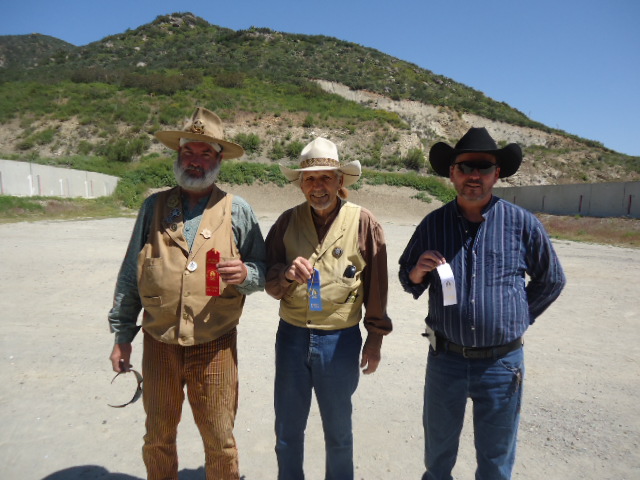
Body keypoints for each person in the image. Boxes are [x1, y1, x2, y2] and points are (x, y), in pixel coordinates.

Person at [107, 107, 266, 480]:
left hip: (215, 344)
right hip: (159, 343)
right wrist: (122, 337)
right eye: (188, 152)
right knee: (158, 436)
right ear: (178, 156)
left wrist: (246, 274)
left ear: (219, 159)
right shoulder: (153, 207)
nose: (195, 161)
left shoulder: (237, 210)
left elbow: (265, 271)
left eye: (205, 153)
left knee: (219, 438)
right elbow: (131, 274)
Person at [398, 127, 566, 480]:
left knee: (495, 462)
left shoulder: (522, 224)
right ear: (452, 173)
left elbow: (551, 279)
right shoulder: (433, 224)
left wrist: (517, 316)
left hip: (501, 365)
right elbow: (406, 276)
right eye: (465, 167)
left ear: (497, 174)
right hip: (446, 361)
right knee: (437, 458)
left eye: (484, 167)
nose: (474, 175)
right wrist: (417, 272)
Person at [265, 137, 392, 480]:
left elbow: (376, 288)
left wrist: (375, 339)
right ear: (301, 184)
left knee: (338, 433)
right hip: (291, 338)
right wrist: (286, 274)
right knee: (287, 430)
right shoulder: (286, 222)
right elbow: (269, 279)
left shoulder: (364, 222)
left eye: (325, 178)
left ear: (340, 181)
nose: (317, 186)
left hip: (340, 340)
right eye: (310, 179)